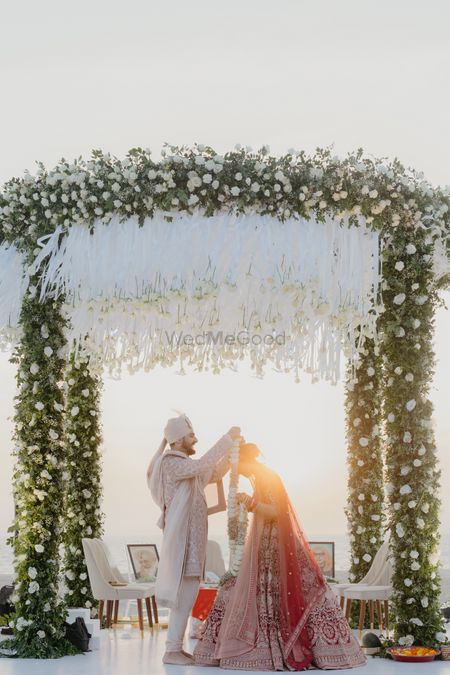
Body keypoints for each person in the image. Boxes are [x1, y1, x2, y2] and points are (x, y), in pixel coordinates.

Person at [194, 443, 366, 671]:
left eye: (238, 465)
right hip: (266, 541)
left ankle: (309, 645)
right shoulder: (261, 477)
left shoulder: (267, 477)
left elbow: (277, 510)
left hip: (275, 543)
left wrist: (250, 502)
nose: (238, 471)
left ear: (246, 460)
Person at [147, 412, 242, 666]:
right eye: (190, 435)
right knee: (184, 595)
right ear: (177, 441)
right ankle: (172, 649)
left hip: (193, 540)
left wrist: (234, 452)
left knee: (188, 594)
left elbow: (212, 472)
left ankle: (175, 648)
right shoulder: (171, 463)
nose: (195, 439)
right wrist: (226, 439)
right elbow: (202, 466)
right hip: (183, 540)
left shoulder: (186, 466)